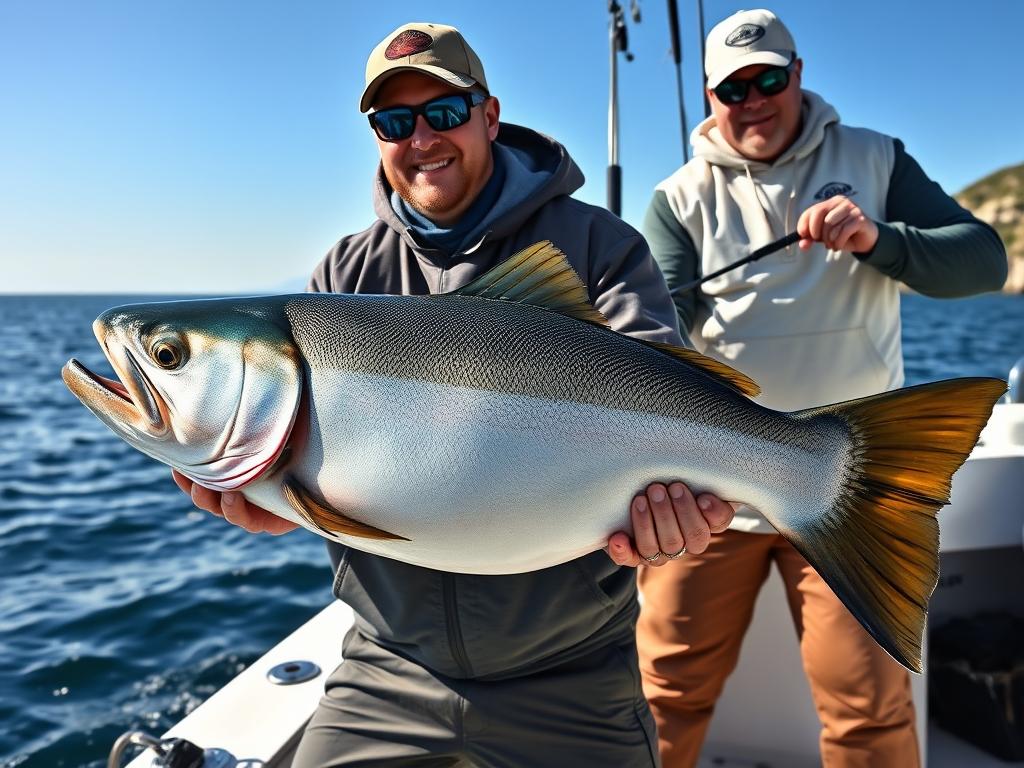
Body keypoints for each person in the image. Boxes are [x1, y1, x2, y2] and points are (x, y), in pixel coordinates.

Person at [173, 22, 738, 767]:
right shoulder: (342, 277)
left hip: (573, 676)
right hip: (387, 668)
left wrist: (679, 503)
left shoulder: (596, 245)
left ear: (489, 115)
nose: (421, 139)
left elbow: (661, 386)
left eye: (443, 113)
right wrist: (285, 507)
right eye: (394, 122)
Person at [637, 8, 1008, 768]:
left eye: (768, 78)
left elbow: (983, 262)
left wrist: (880, 239)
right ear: (710, 95)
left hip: (848, 486)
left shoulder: (875, 158)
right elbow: (659, 328)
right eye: (733, 87)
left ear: (798, 74)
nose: (753, 99)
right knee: (661, 691)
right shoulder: (676, 198)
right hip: (714, 495)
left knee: (868, 705)